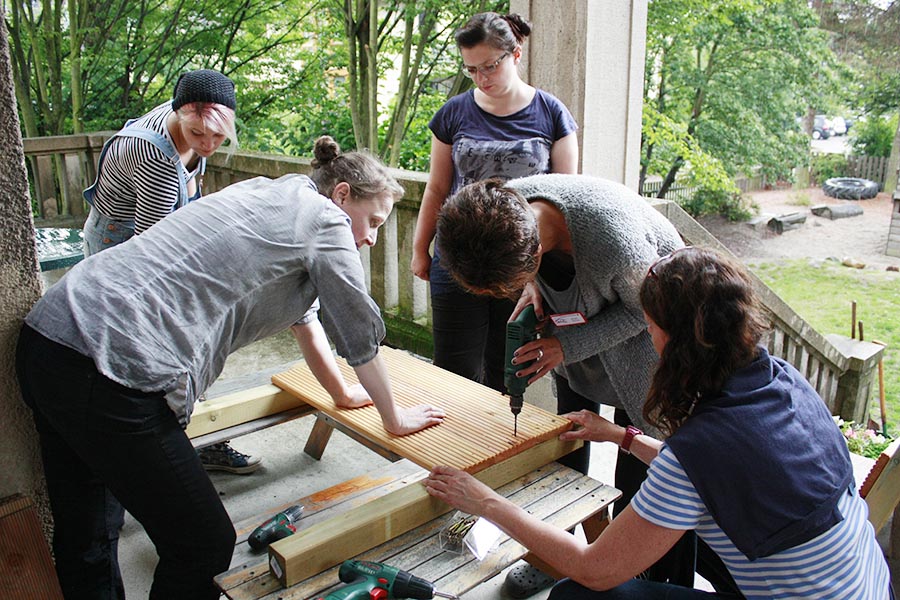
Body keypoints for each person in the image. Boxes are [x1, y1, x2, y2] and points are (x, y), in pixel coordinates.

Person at [16, 136, 446, 600]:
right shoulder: (326, 220)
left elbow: (306, 323)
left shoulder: (272, 193)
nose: (371, 238)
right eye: (374, 221)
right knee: (203, 542)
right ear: (342, 194)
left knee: (89, 531)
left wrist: (342, 394)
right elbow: (358, 329)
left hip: (49, 337)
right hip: (113, 366)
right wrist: (393, 417)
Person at [425, 247, 892, 599]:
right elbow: (721, 471)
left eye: (649, 326)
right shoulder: (781, 380)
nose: (649, 337)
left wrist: (484, 500)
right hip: (866, 586)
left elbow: (594, 568)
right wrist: (621, 436)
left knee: (575, 594)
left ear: (677, 341)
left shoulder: (696, 453)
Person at [435, 174, 688, 596]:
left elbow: (644, 313)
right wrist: (531, 286)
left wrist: (565, 346)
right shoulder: (500, 212)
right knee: (568, 442)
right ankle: (556, 555)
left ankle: (632, 573)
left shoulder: (615, 242)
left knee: (637, 465)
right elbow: (525, 272)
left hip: (644, 348)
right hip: (576, 339)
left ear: (533, 252)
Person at [80, 68, 254, 472]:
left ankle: (199, 437)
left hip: (150, 237)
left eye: (218, 137)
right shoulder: (155, 156)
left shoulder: (192, 116)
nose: (207, 145)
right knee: (151, 346)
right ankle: (168, 449)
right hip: (120, 247)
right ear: (179, 113)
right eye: (198, 135)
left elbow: (188, 203)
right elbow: (156, 255)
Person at [411, 11, 578, 394]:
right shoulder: (453, 113)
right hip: (456, 257)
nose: (481, 78)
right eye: (471, 70)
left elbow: (565, 197)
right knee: (452, 368)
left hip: (520, 263)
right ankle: (457, 431)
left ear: (515, 54)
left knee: (507, 366)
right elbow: (437, 188)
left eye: (489, 66)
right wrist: (421, 249)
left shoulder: (551, 113)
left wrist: (536, 274)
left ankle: (500, 430)